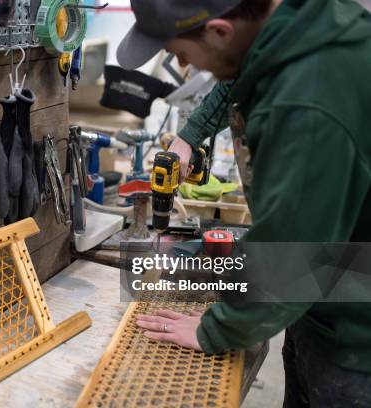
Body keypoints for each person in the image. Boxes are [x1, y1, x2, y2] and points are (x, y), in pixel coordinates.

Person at [117, 0, 371, 406]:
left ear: (220, 31)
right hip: (322, 303)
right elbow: (241, 72)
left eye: (183, 56)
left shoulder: (307, 104)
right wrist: (191, 134)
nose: (184, 65)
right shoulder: (296, 26)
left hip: (356, 341)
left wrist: (216, 329)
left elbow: (291, 257)